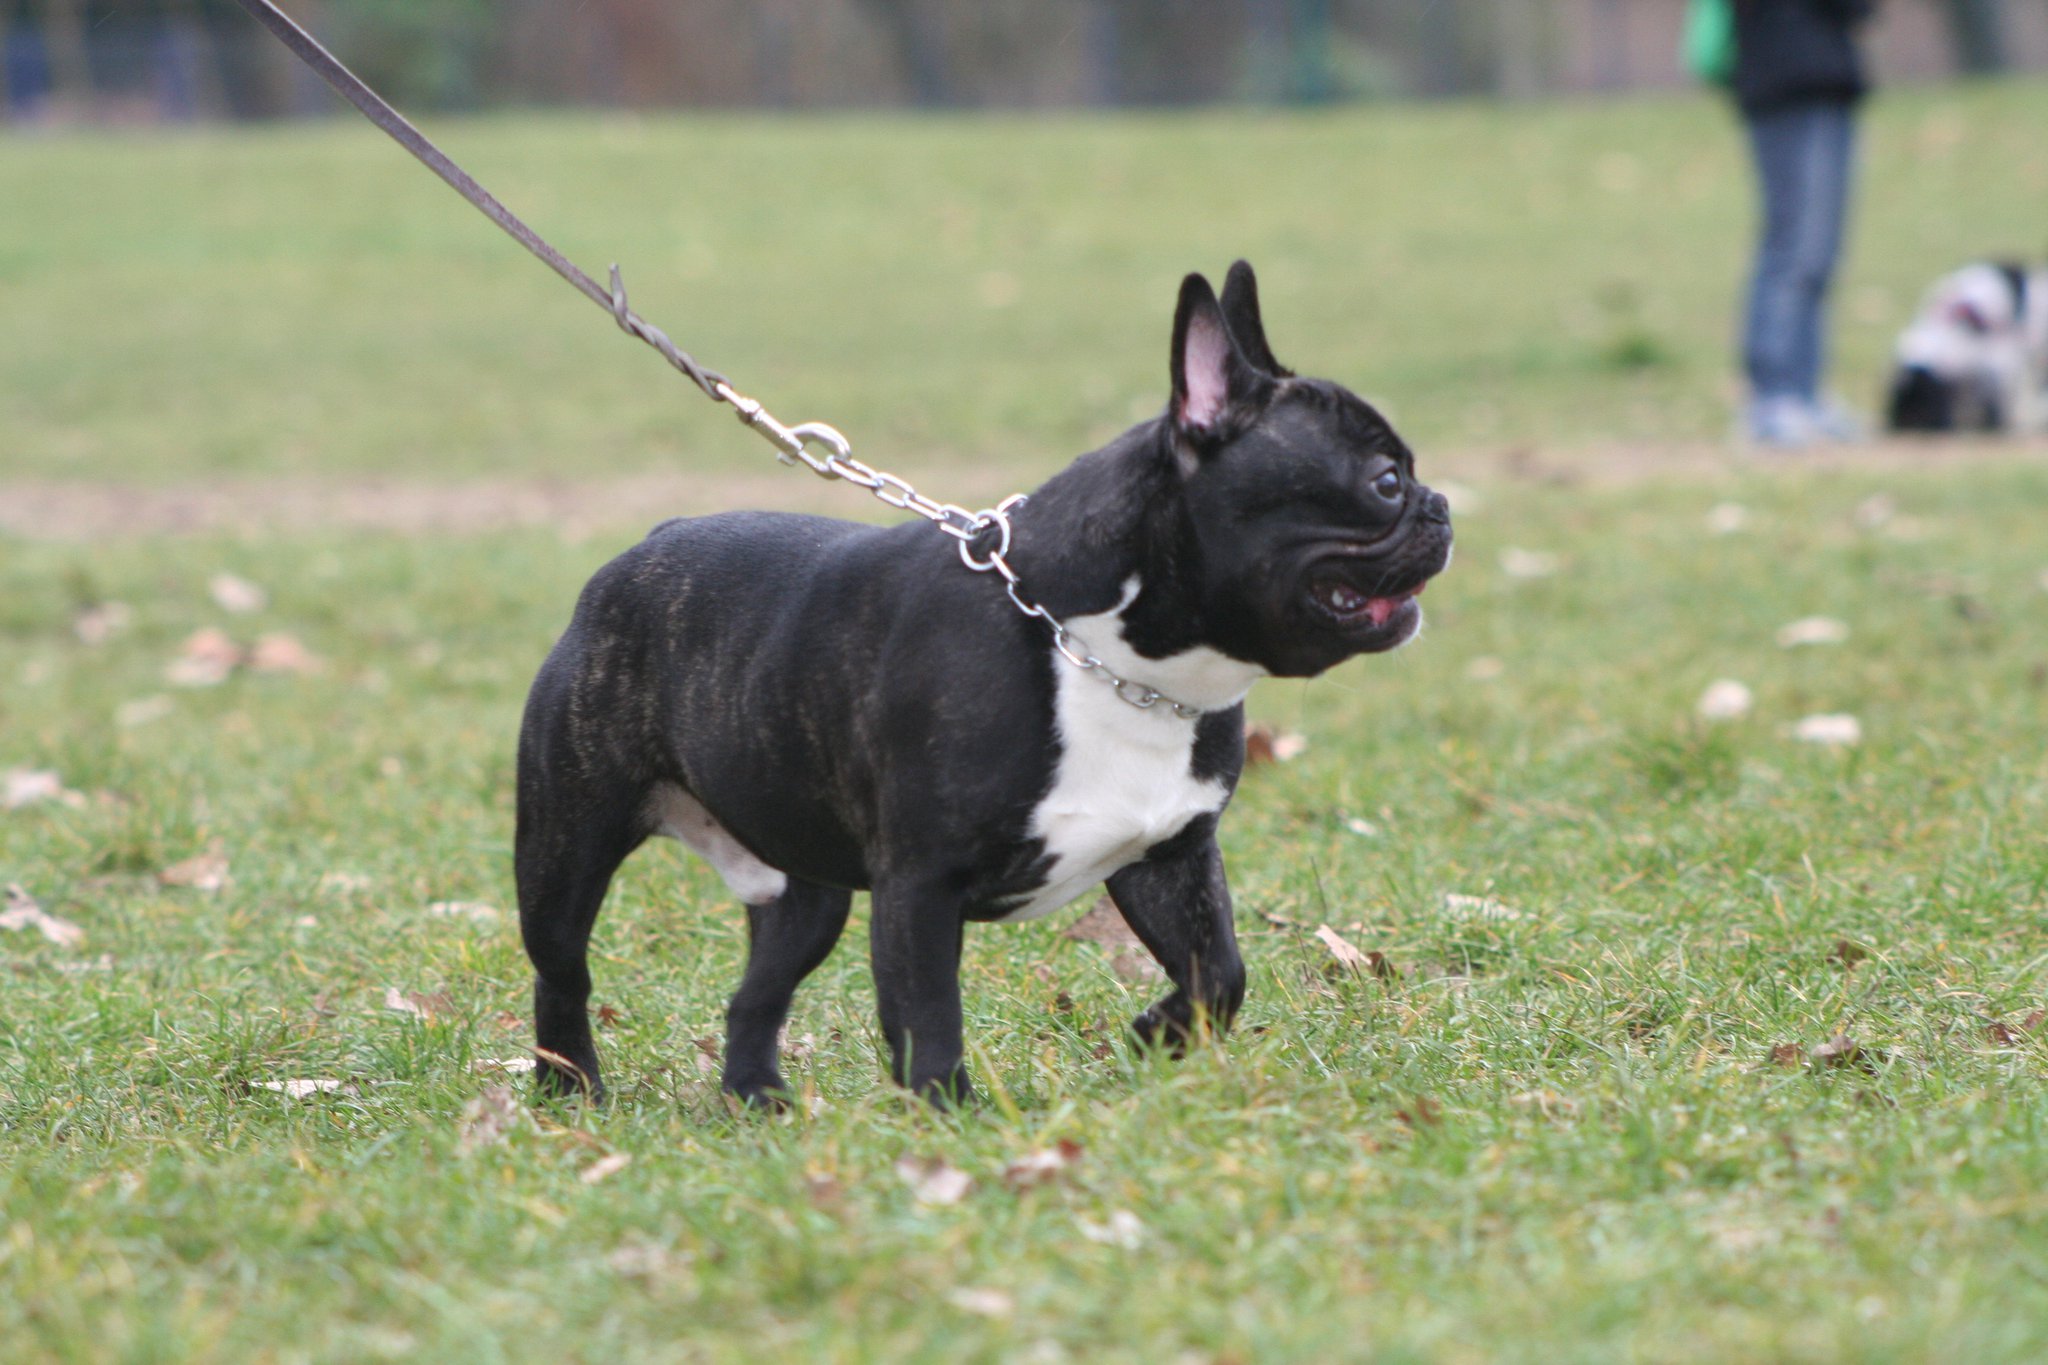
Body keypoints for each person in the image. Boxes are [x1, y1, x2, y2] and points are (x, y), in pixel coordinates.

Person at [1730, 0, 1877, 447]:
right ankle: (1772, 398)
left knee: (1818, 250)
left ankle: (1806, 393)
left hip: (1824, 76)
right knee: (1793, 244)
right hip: (1789, 79)